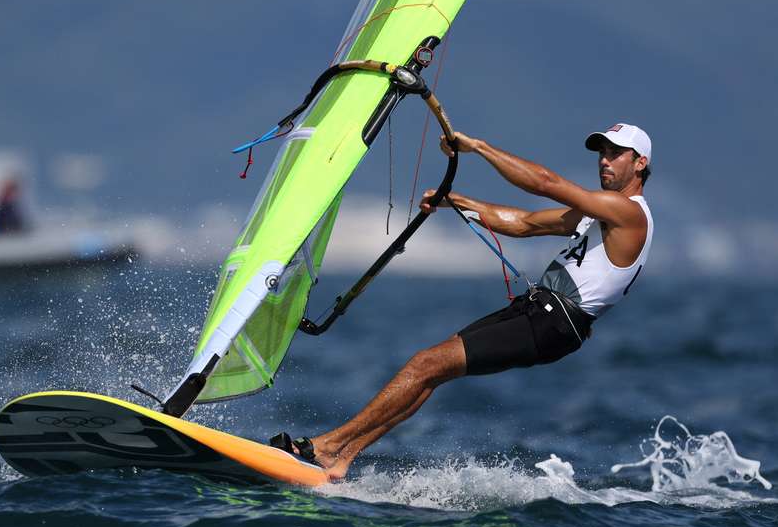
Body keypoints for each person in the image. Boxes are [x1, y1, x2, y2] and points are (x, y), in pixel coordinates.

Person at [272, 123, 655, 480]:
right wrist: (455, 201)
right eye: (602, 151)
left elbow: (545, 182)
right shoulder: (599, 214)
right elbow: (522, 223)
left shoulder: (628, 213)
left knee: (425, 363)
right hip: (539, 311)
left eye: (616, 153)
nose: (605, 159)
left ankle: (326, 446)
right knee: (430, 370)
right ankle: (342, 458)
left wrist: (479, 147)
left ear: (640, 163)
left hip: (552, 322)